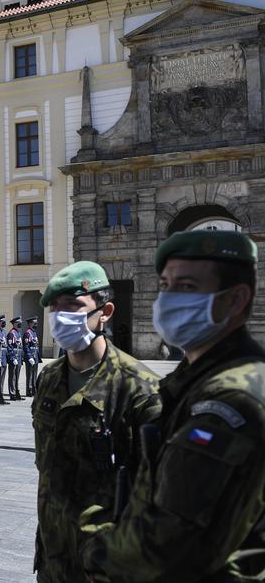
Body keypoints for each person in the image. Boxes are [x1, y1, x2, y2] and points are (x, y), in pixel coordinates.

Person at [80, 230, 265, 581]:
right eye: (165, 285)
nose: (167, 298)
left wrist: (93, 540)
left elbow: (166, 546)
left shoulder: (229, 402)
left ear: (236, 299)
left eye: (187, 287)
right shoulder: (197, 380)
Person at [31, 261, 161, 582]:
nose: (61, 316)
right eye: (55, 307)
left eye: (74, 305)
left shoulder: (138, 387)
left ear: (105, 312)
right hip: (53, 557)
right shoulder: (49, 378)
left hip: (107, 565)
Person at [7, 317, 24, 401]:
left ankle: (16, 392)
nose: (20, 324)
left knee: (17, 377)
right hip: (14, 358)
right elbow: (10, 347)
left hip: (19, 358)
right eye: (18, 322)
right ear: (14, 324)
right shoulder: (11, 333)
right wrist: (13, 358)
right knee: (12, 377)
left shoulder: (18, 333)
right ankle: (12, 393)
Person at [23, 316, 41, 397]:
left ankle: (34, 390)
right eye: (34, 323)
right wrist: (29, 357)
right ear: (30, 324)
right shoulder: (27, 333)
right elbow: (26, 346)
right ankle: (29, 391)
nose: (36, 324)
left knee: (34, 375)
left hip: (35, 357)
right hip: (30, 357)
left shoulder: (34, 332)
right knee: (30, 375)